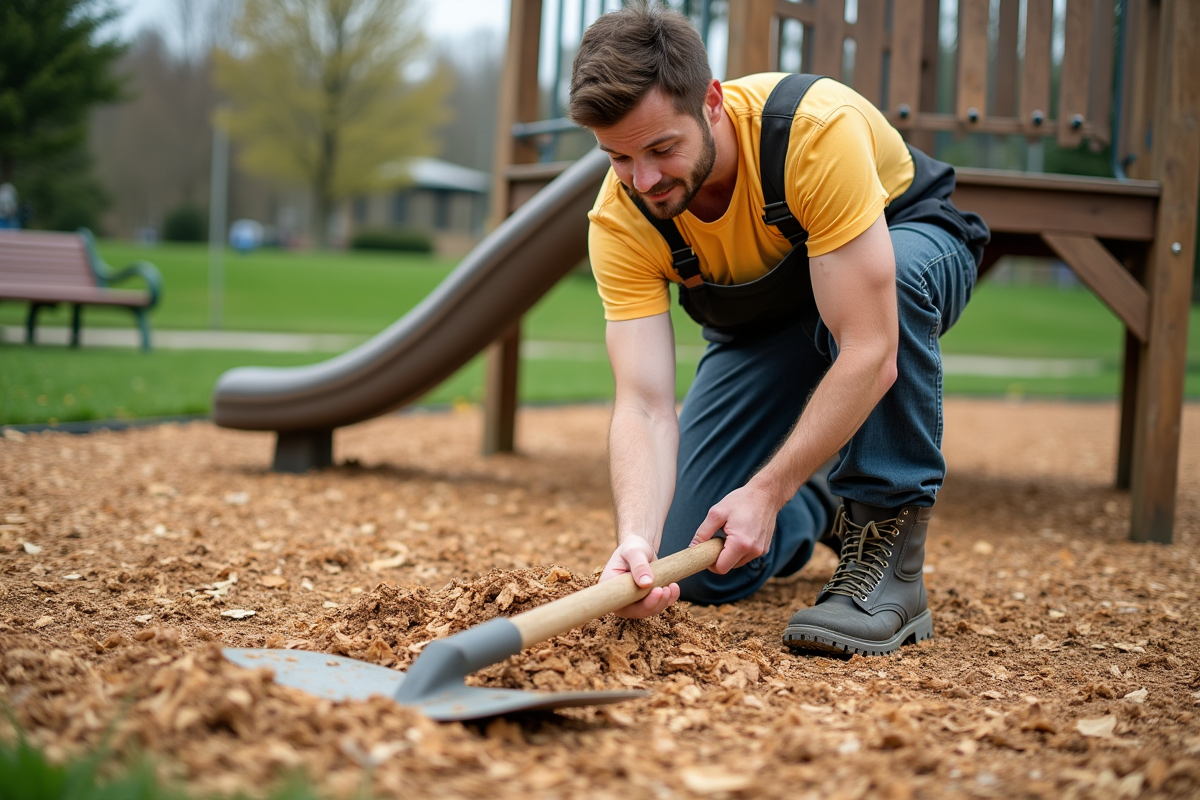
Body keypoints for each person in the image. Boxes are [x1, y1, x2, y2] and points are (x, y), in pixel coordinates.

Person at [567, 4, 989, 656]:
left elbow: (870, 349)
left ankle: (889, 564)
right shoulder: (621, 219)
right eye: (618, 157)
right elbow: (645, 405)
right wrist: (638, 543)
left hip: (902, 259)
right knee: (697, 557)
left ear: (712, 101)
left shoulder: (813, 134)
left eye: (661, 149)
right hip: (767, 326)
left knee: (896, 287)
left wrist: (764, 486)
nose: (643, 180)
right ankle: (816, 502)